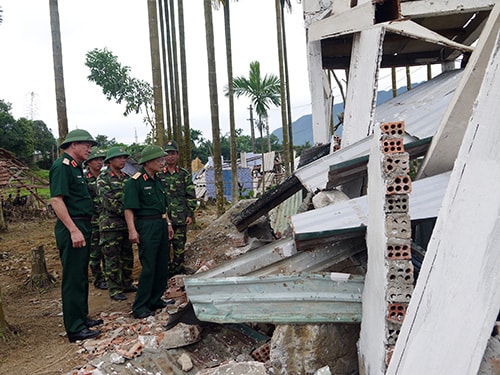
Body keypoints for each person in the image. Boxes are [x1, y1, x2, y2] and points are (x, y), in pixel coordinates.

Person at [49, 129, 102, 343]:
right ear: (73, 145)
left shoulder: (76, 168)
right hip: (72, 226)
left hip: (82, 224)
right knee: (72, 278)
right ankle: (75, 328)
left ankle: (81, 317)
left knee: (81, 275)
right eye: (86, 144)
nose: (90, 148)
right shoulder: (62, 167)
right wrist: (73, 229)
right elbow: (56, 201)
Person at [124, 145, 174, 319]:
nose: (162, 162)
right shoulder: (135, 182)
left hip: (160, 223)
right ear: (148, 162)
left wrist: (168, 224)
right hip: (146, 226)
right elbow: (129, 209)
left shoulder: (157, 180)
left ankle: (155, 299)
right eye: (159, 160)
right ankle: (140, 305)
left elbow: (163, 206)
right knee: (149, 266)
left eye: (162, 159)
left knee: (162, 264)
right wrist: (132, 230)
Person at [96, 146, 135, 301]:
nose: (123, 160)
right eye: (119, 158)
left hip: (126, 225)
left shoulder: (126, 178)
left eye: (124, 158)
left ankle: (126, 283)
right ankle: (114, 289)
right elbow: (108, 201)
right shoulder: (103, 177)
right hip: (110, 226)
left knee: (127, 256)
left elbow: (132, 198)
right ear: (110, 160)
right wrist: (128, 210)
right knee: (112, 258)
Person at [158, 140, 197, 276]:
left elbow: (190, 195)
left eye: (173, 153)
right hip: (164, 219)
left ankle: (177, 275)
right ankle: (166, 276)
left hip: (180, 219)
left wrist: (190, 214)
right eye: (167, 153)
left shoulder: (184, 174)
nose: (170, 156)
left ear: (178, 155)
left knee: (179, 250)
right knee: (164, 250)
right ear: (163, 156)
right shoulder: (158, 174)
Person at [84, 147, 107, 290]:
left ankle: (109, 277)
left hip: (107, 220)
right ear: (88, 163)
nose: (99, 162)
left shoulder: (105, 178)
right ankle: (98, 279)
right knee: (95, 252)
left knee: (108, 251)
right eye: (96, 160)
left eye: (101, 160)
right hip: (92, 220)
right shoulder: (85, 180)